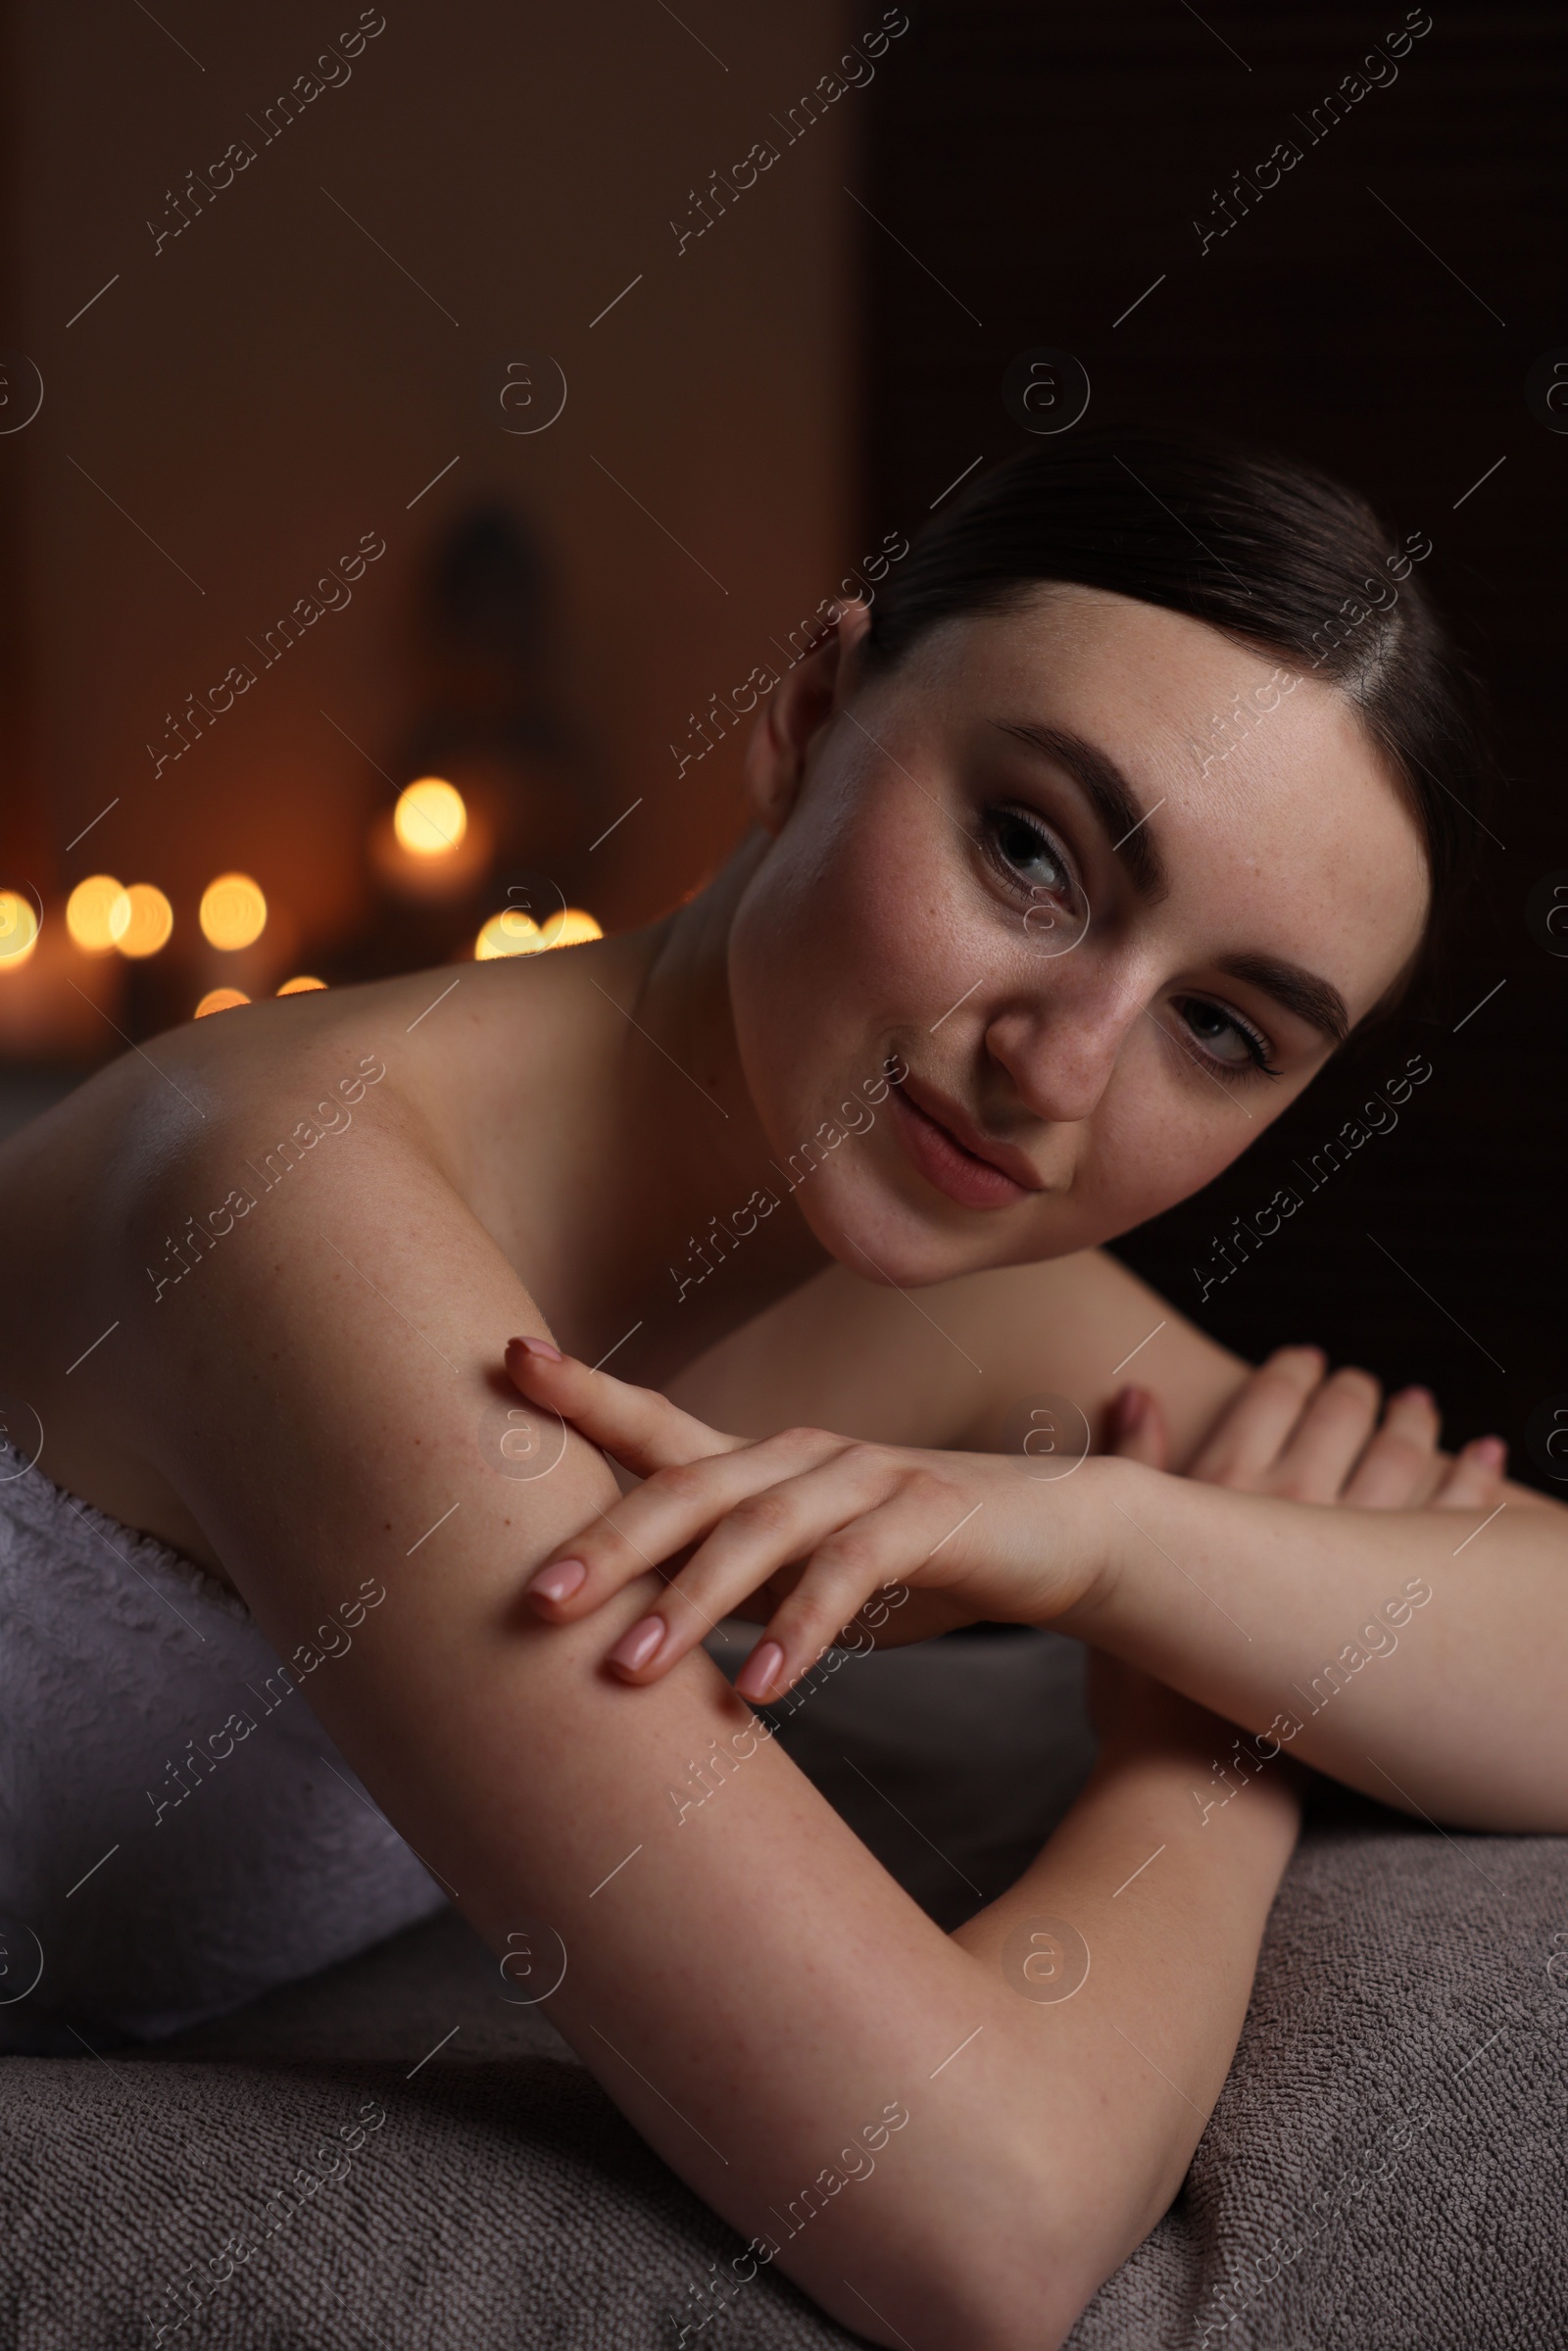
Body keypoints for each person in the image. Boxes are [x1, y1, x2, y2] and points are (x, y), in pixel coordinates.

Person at [1, 431, 1560, 2350]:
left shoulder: (944, 1289)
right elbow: (978, 2229)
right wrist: (1208, 1746)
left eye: (1218, 1028)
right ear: (810, 708)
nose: (1057, 1072)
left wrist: (1114, 1539)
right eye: (1028, 852)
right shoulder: (279, 1200)